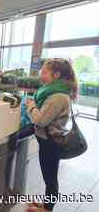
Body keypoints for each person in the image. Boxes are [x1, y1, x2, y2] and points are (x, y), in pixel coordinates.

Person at [25, 58, 77, 212]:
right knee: (49, 177)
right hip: (47, 141)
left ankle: (47, 209)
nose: (41, 74)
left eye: (45, 72)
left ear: (56, 74)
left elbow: (40, 120)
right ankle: (46, 205)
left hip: (50, 143)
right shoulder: (54, 91)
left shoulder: (58, 97)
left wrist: (31, 106)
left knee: (50, 179)